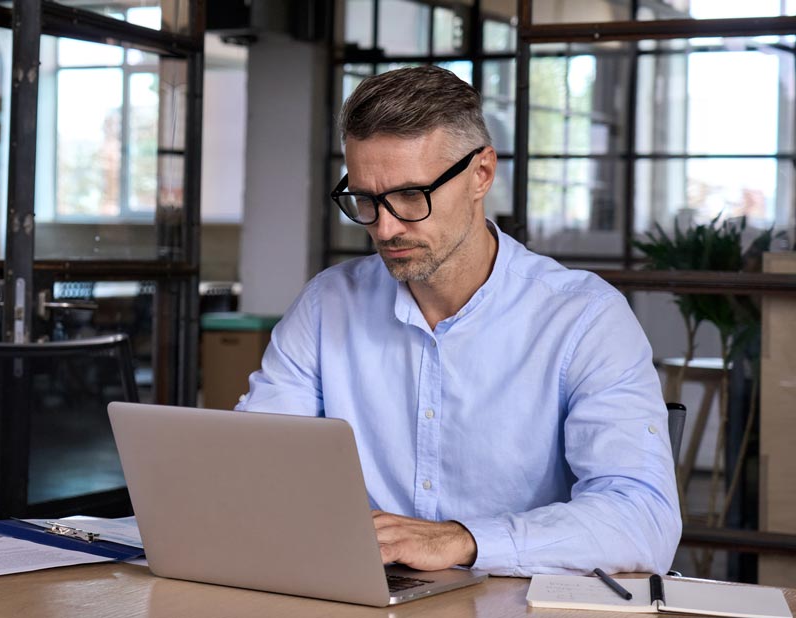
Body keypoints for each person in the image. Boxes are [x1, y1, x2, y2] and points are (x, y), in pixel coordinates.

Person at [235, 66, 681, 577]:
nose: (385, 227)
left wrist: (464, 540)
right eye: (364, 199)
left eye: (410, 196)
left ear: (481, 174)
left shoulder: (584, 318)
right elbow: (257, 468)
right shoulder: (325, 305)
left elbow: (642, 519)